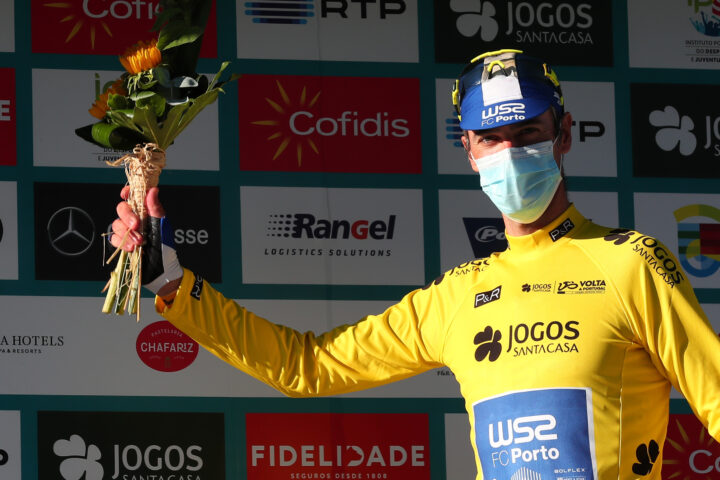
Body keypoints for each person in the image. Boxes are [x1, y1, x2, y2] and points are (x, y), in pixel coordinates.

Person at [111, 49, 720, 480]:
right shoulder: (458, 296)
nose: (510, 152)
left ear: (563, 135)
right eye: (491, 138)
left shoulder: (631, 264)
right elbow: (306, 366)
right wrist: (172, 282)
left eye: (527, 132)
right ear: (468, 149)